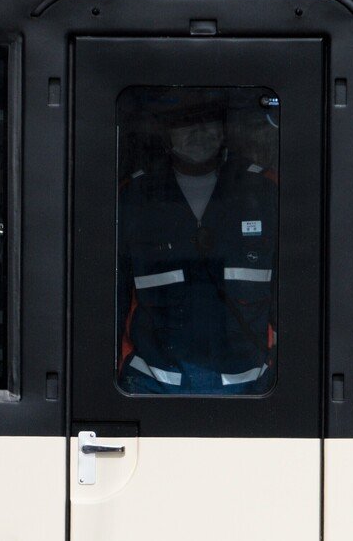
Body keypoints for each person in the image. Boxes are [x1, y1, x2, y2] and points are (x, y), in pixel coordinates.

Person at [116, 92, 278, 395]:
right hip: (151, 387)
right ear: (166, 132)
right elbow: (108, 297)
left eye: (208, 120)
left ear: (224, 128)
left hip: (251, 388)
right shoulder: (133, 198)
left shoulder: (265, 192)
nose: (199, 131)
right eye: (185, 122)